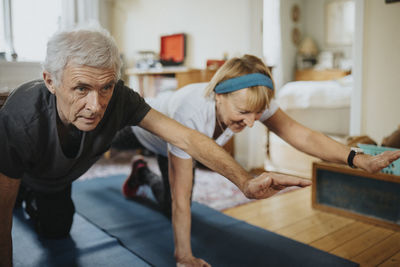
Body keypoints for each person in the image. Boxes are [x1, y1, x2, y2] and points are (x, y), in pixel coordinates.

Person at [0, 28, 316, 267]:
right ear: (50, 81)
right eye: (81, 88)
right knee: (13, 198)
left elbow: (187, 138)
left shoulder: (121, 99)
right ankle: (25, 189)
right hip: (25, 170)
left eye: (106, 87)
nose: (95, 106)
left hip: (59, 181)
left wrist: (244, 180)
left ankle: (31, 195)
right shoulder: (20, 118)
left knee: (56, 229)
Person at [111, 54, 400, 267]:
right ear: (219, 94)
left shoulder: (251, 101)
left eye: (257, 114)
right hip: (140, 132)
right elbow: (181, 198)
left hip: (175, 149)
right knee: (172, 196)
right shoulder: (191, 113)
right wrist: (184, 257)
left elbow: (303, 136)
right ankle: (136, 164)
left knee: (167, 206)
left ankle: (141, 174)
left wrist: (357, 159)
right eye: (243, 113)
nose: (251, 123)